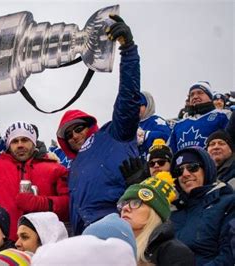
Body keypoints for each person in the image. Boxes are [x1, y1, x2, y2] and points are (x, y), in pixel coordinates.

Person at [56, 15, 141, 235]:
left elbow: (128, 97)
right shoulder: (73, 167)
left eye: (79, 128)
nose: (75, 135)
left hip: (119, 229)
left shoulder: (115, 134)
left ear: (89, 126)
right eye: (69, 134)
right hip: (85, 238)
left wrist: (129, 51)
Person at [0, 95, 69, 239]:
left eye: (25, 140)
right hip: (5, 245)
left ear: (34, 143)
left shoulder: (54, 169)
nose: (20, 144)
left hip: (43, 247)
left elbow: (69, 205)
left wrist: (41, 203)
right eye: (15, 141)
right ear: (8, 144)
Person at [170, 146, 235, 265]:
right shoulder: (172, 211)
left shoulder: (228, 203)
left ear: (207, 170)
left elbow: (229, 256)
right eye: (179, 171)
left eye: (192, 167)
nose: (185, 174)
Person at [118, 173, 195, 265]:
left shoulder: (175, 253)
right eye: (123, 204)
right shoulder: (115, 246)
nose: (125, 208)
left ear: (155, 212)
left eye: (135, 202)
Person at [168, 81, 229, 153]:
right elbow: (170, 151)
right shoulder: (179, 124)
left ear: (210, 97)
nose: (195, 96)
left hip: (213, 163)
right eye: (192, 95)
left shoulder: (222, 116)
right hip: (184, 163)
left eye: (200, 93)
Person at [137, 91, 171, 159]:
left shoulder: (156, 121)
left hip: (153, 163)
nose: (136, 108)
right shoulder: (132, 124)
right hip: (136, 164)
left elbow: (167, 136)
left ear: (148, 105)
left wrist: (145, 135)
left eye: (140, 105)